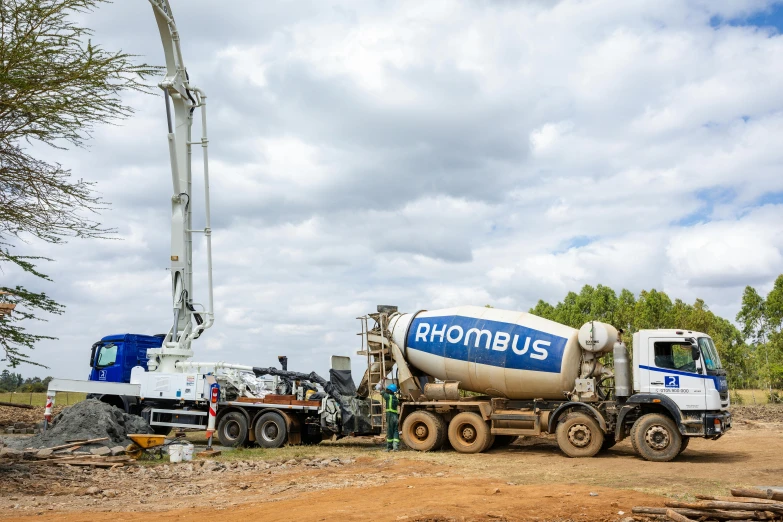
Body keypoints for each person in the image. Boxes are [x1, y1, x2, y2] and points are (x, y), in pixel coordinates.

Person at [381, 383, 400, 451]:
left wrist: (382, 382)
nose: (387, 390)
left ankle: (389, 447)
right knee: (395, 431)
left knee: (389, 431)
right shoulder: (395, 398)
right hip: (395, 416)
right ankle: (396, 447)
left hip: (390, 416)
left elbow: (382, 392)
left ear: (390, 390)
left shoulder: (388, 397)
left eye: (388, 389)